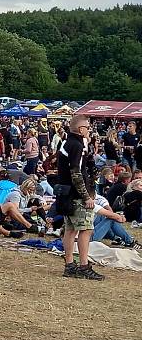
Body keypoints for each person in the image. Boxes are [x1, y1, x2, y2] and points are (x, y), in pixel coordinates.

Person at [59, 115, 103, 280]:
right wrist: (86, 196)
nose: (89, 129)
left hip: (66, 193)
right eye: (87, 126)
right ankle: (84, 266)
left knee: (70, 230)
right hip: (77, 195)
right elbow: (76, 173)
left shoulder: (66, 142)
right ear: (80, 128)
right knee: (86, 229)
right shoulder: (76, 145)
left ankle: (70, 265)